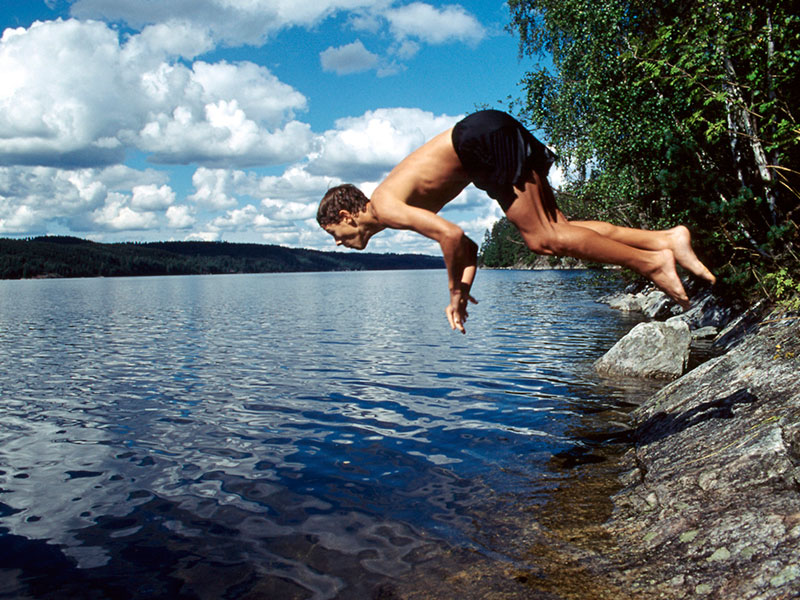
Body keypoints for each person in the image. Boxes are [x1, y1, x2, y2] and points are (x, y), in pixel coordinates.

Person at [317, 110, 715, 334]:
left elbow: (451, 235)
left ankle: (651, 262)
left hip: (479, 142)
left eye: (335, 234)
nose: (338, 243)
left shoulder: (385, 207)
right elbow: (469, 249)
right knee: (561, 226)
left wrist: (454, 292)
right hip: (484, 139)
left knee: (545, 239)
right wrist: (463, 290)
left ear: (346, 215)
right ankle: (667, 238)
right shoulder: (390, 205)